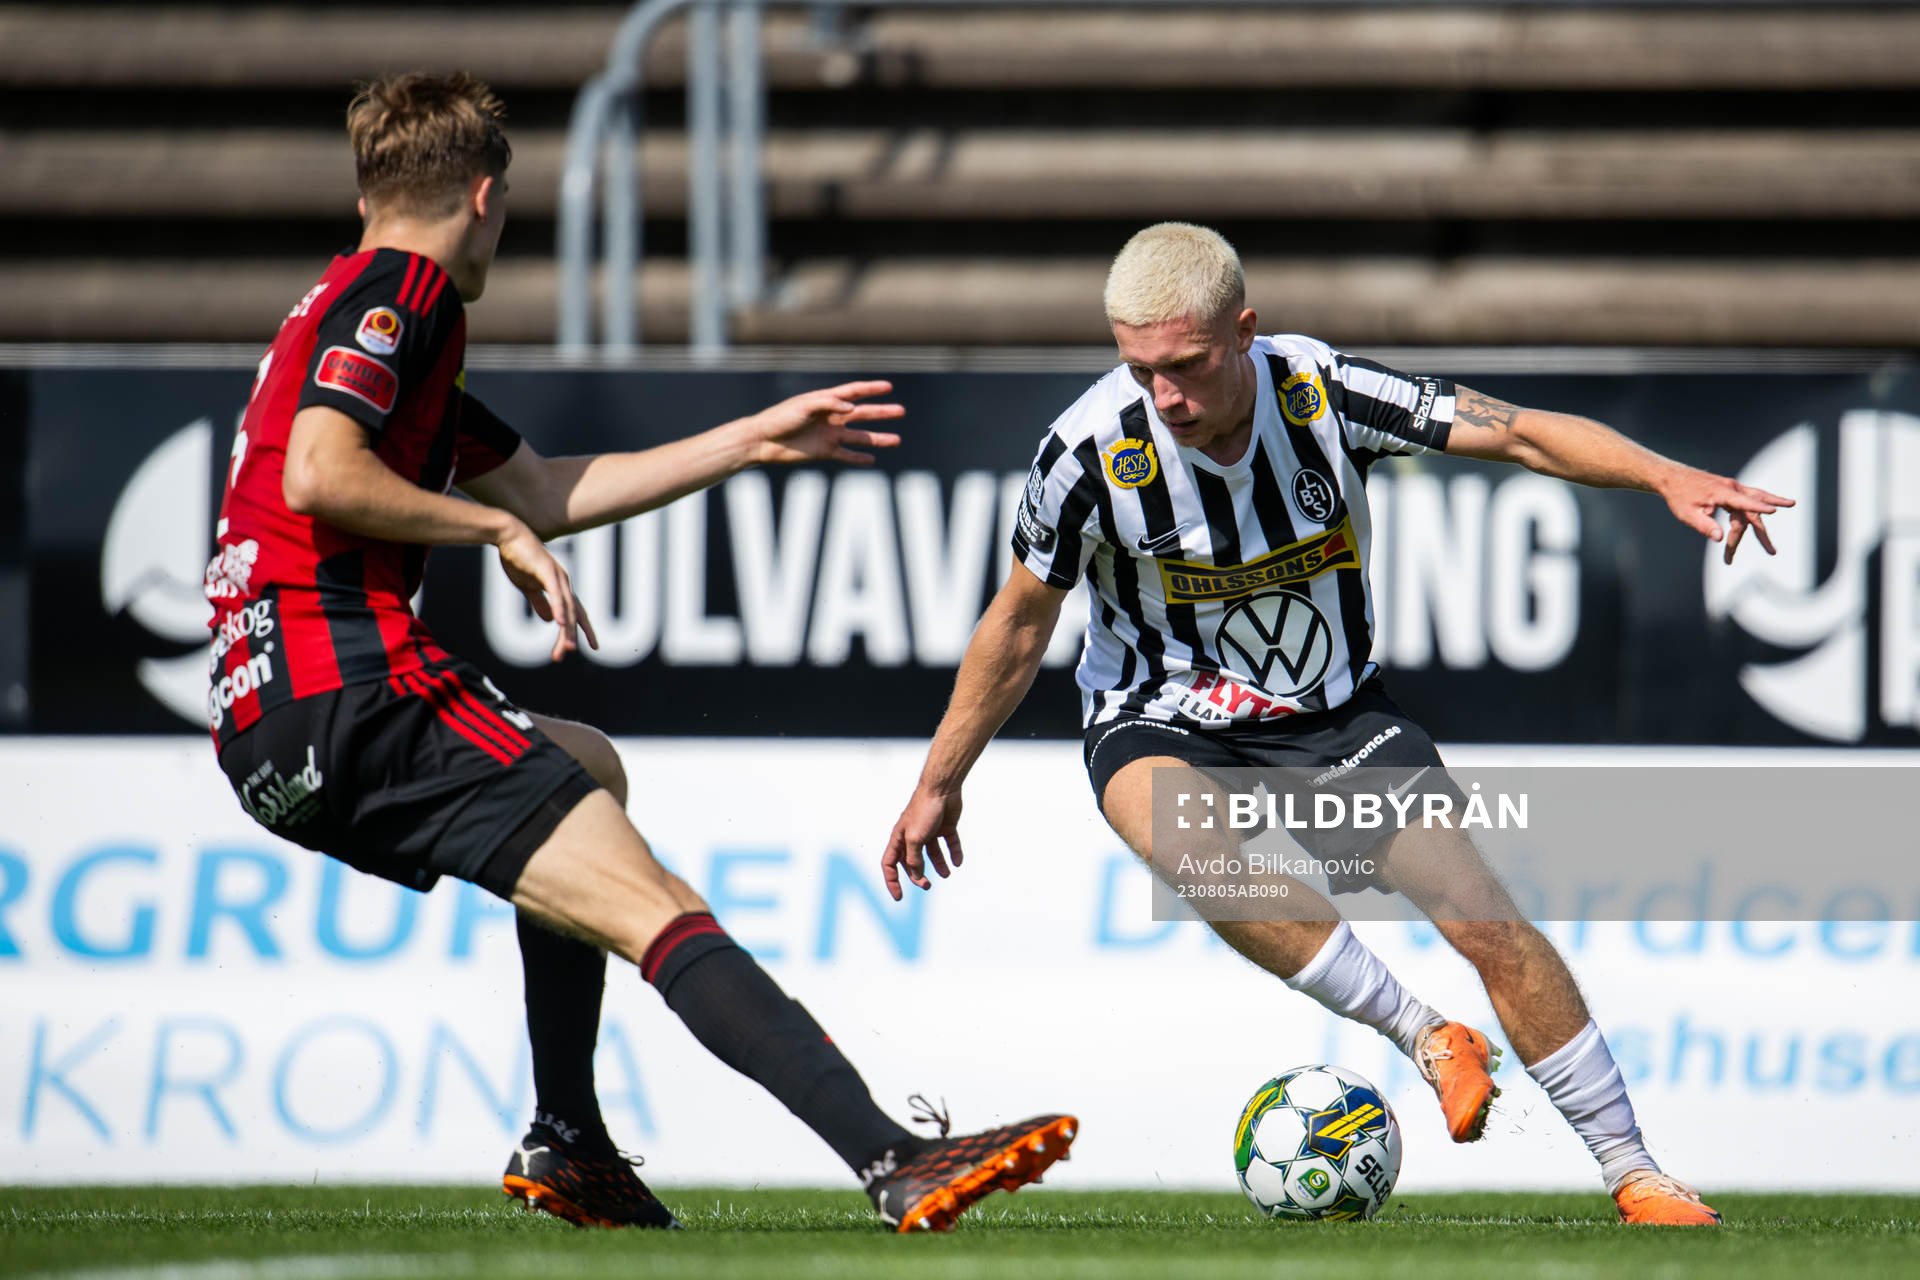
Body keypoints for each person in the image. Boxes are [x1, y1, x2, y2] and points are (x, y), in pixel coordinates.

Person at [205, 70, 1074, 1234]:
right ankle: (893, 1155)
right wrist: (491, 529)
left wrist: (750, 441)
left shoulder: (348, 310)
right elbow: (326, 472)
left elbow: (544, 487)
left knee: (591, 765)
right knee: (656, 903)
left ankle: (570, 1138)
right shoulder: (403, 291)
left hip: (270, 727)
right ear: (482, 195)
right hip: (352, 689)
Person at [882, 222, 1793, 1226]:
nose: (1165, 395)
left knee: (1482, 918)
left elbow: (1523, 430)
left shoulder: (1323, 392)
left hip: (1335, 711)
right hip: (1158, 706)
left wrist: (1664, 474)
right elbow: (1018, 622)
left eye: (1185, 365)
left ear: (1245, 331)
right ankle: (1427, 1034)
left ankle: (1637, 1172)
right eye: (1141, 368)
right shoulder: (1087, 451)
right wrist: (940, 778)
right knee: (1195, 847)